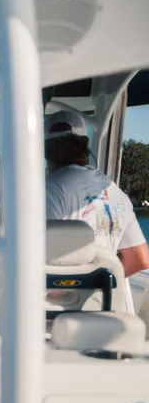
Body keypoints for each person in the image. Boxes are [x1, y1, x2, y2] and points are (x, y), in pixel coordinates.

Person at [45, 108, 149, 277]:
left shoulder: (50, 190)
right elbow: (139, 259)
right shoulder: (116, 193)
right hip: (106, 302)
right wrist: (97, 285)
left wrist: (72, 289)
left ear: (45, 150)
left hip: (56, 301)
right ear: (86, 144)